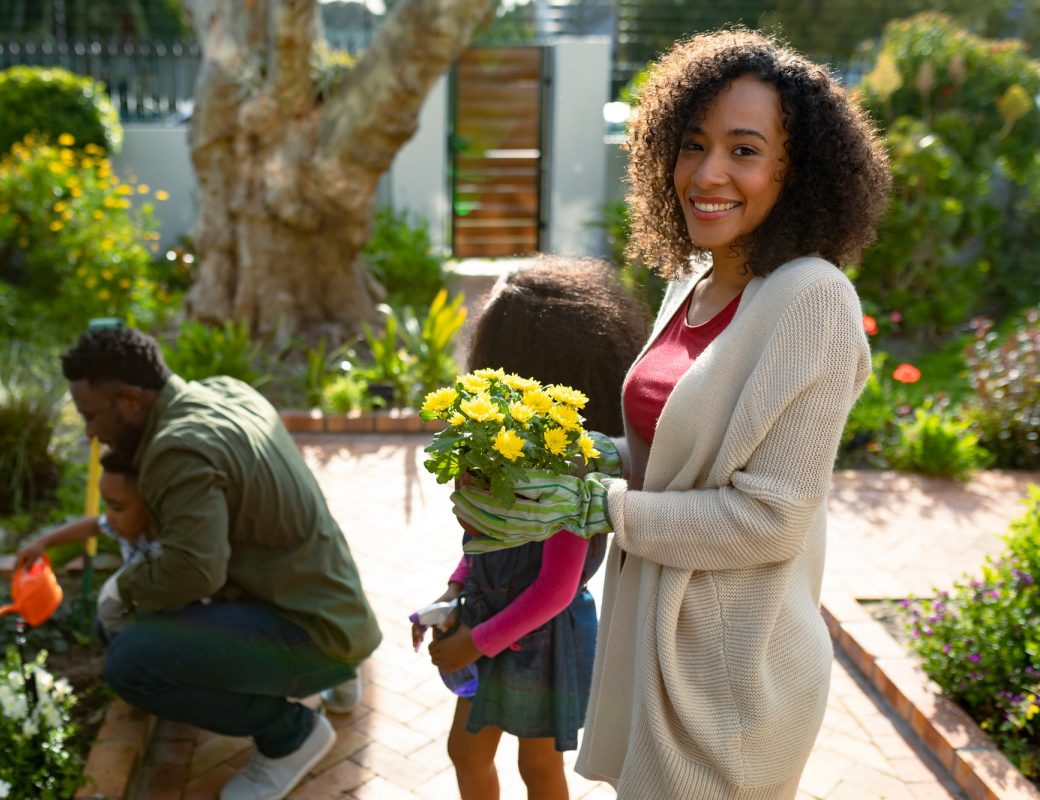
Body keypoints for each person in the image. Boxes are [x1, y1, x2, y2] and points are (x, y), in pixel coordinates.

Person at [452, 29, 891, 799]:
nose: (708, 172)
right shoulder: (698, 278)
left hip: (730, 672)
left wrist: (598, 503)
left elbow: (770, 519)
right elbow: (668, 458)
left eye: (744, 150)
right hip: (656, 644)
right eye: (692, 144)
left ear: (799, 171)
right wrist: (569, 451)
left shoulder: (812, 299)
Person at [59, 326, 382, 800]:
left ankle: (289, 735)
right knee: (151, 612)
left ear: (130, 400)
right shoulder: (226, 391)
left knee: (130, 661)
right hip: (333, 601)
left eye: (90, 416)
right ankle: (337, 675)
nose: (90, 432)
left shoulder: (177, 449)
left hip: (314, 630)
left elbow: (194, 572)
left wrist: (123, 589)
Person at [423, 258, 648, 800]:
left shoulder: (565, 472)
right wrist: (454, 589)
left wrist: (471, 646)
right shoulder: (497, 449)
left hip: (539, 643)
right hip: (488, 623)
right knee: (467, 751)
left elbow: (556, 590)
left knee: (539, 770)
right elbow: (481, 538)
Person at [15, 448, 168, 637]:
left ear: (150, 503)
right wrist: (43, 542)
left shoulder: (168, 547)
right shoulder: (128, 524)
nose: (110, 516)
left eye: (117, 507)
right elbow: (94, 525)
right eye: (107, 505)